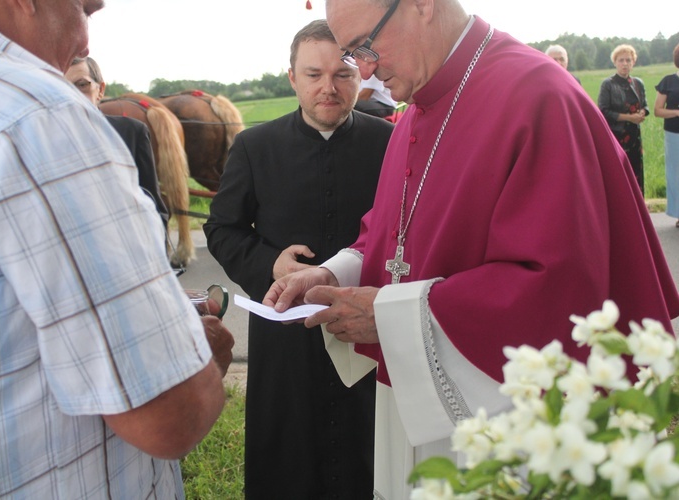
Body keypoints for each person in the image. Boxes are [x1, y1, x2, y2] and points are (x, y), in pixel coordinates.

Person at [262, 0, 679, 498]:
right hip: (419, 402)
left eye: (365, 47)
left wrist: (391, 317)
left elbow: (558, 283)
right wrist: (334, 274)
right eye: (356, 55)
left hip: (500, 418)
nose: (367, 72)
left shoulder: (536, 95)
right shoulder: (416, 107)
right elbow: (394, 233)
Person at [0, 0, 234, 498]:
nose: (93, 17)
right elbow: (169, 416)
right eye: (82, 7)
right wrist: (201, 354)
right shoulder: (37, 115)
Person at [204, 19, 394, 500]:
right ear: (292, 77)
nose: (328, 88)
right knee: (287, 465)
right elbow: (222, 230)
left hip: (367, 330)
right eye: (314, 75)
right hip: (284, 333)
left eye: (342, 75)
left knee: (369, 460)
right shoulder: (253, 146)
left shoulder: (389, 144)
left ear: (360, 79)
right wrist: (271, 264)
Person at [66, 56, 170, 230]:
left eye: (82, 85)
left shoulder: (131, 133)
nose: (73, 95)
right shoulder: (40, 141)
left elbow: (154, 206)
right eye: (63, 86)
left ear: (100, 90)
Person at [598, 44, 650, 195]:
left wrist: (642, 113)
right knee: (618, 174)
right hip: (616, 136)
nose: (625, 64)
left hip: (635, 136)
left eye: (628, 60)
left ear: (633, 62)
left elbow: (646, 106)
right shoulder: (608, 84)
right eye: (621, 60)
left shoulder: (638, 83)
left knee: (636, 173)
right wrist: (629, 118)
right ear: (615, 62)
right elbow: (603, 111)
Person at [654, 43, 679, 228]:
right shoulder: (668, 82)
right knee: (676, 174)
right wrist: (677, 113)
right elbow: (657, 111)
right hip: (674, 134)